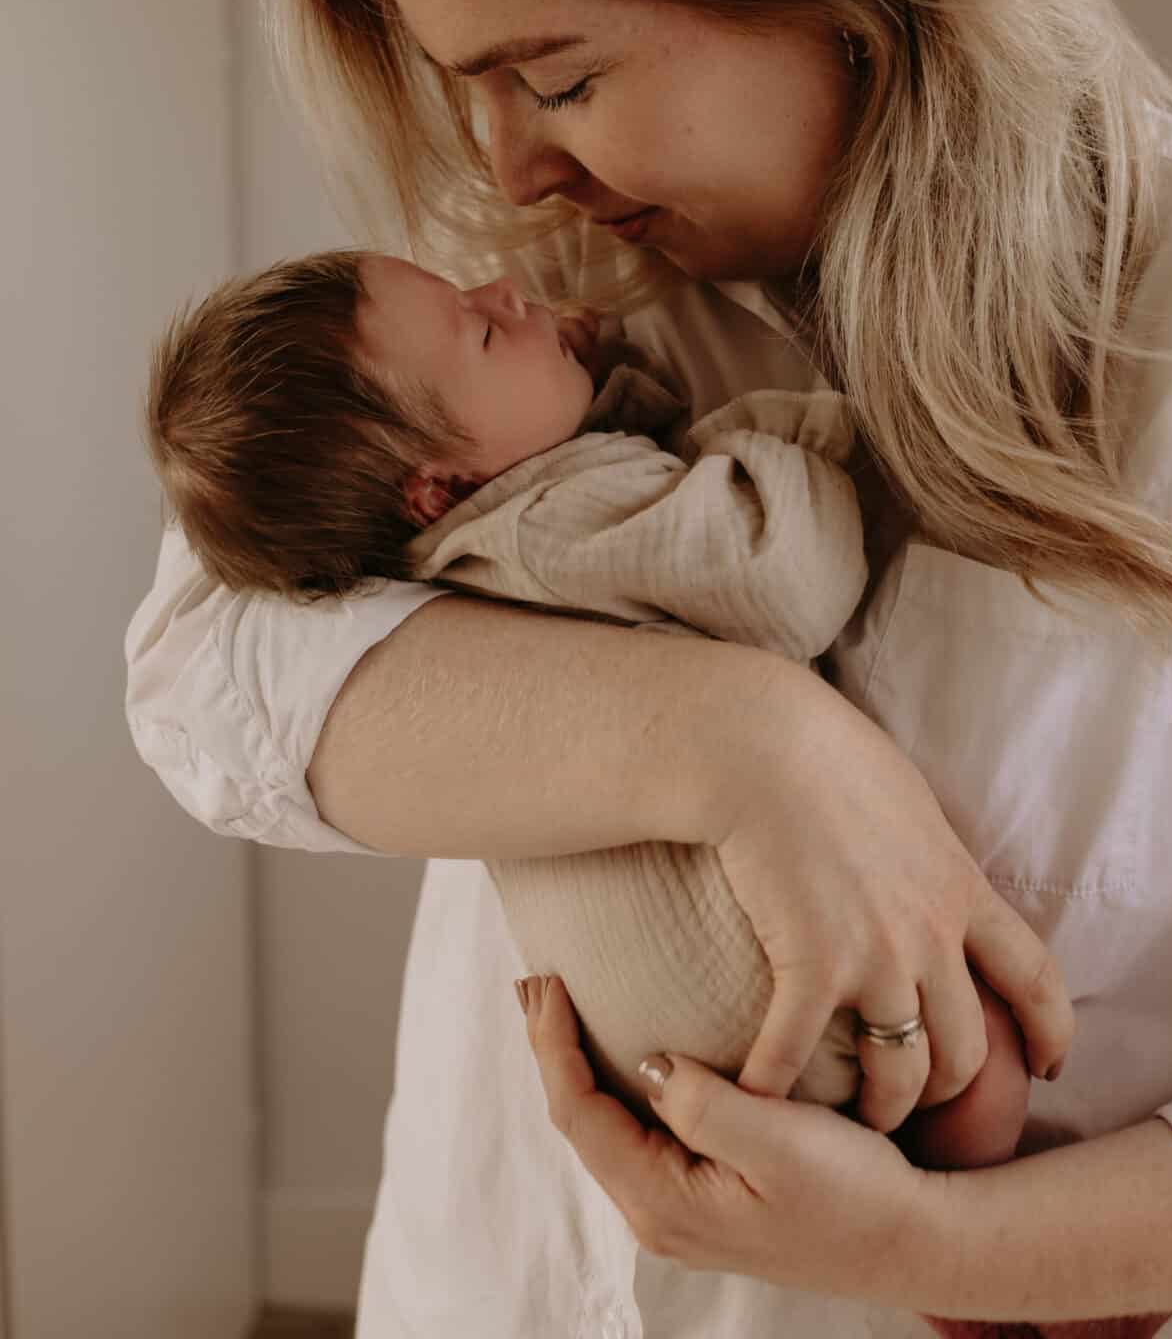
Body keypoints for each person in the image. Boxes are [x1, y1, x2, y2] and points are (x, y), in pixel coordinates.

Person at [124, 0, 1172, 1339]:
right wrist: (744, 745)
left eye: (557, 78)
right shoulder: (544, 293)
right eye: (466, 90)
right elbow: (205, 669)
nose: (503, 169)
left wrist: (935, 1251)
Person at [143, 245, 1033, 1167]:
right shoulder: (548, 516)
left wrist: (568, 378)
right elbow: (783, 580)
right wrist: (794, 432)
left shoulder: (448, 551)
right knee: (985, 1056)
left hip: (658, 1035)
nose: (505, 289)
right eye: (483, 332)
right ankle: (962, 1228)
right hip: (775, 984)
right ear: (441, 486)